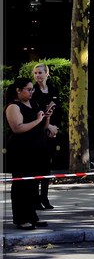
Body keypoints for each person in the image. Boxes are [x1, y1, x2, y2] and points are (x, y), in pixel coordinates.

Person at [4, 77, 52, 229]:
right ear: (18, 90)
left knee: (33, 184)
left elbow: (41, 126)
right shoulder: (13, 107)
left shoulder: (33, 103)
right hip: (21, 150)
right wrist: (38, 120)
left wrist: (47, 118)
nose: (31, 92)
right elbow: (17, 128)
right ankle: (21, 218)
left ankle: (32, 216)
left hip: (36, 149)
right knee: (21, 185)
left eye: (32, 89)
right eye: (28, 89)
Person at [30, 63, 59, 210]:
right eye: (35, 73)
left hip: (51, 133)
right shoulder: (33, 92)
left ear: (47, 74)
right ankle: (35, 200)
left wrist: (55, 128)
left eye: (40, 72)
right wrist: (47, 126)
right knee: (37, 167)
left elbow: (57, 109)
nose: (37, 76)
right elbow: (35, 112)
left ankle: (45, 198)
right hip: (37, 131)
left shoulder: (53, 89)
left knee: (47, 168)